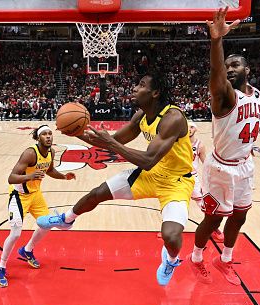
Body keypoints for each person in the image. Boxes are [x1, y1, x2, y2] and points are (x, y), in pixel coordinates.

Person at [37, 71, 196, 286]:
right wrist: (77, 132)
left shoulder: (173, 119)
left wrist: (111, 144)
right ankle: (66, 220)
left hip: (176, 181)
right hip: (151, 175)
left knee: (171, 236)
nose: (134, 89)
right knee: (97, 194)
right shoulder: (140, 115)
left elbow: (147, 159)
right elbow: (114, 140)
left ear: (155, 92)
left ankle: (170, 260)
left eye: (141, 84)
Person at [190, 7, 260, 286]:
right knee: (213, 220)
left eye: (236, 65)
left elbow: (252, 123)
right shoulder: (224, 97)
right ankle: (196, 258)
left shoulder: (256, 94)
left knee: (240, 216)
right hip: (221, 169)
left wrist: (249, 147)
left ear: (247, 70)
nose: (230, 69)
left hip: (245, 165)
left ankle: (226, 259)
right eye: (228, 66)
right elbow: (216, 72)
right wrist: (216, 41)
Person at [0, 125, 76, 287]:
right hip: (19, 196)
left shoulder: (51, 152)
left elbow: (50, 170)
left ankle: (27, 250)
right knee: (16, 233)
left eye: (50, 134)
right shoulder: (30, 153)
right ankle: (1, 266)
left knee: (46, 224)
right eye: (44, 134)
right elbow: (11, 178)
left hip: (35, 195)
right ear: (38, 137)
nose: (48, 136)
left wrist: (64, 177)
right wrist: (30, 176)